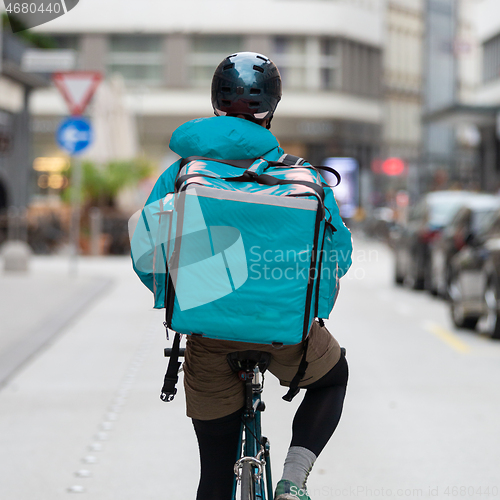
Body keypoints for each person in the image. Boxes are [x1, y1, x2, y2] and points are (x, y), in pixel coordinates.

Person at [132, 52, 353, 500]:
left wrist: (179, 295)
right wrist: (309, 308)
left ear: (216, 101)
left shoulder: (182, 174)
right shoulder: (303, 176)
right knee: (334, 377)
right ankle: (292, 481)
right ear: (271, 107)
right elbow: (339, 256)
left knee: (213, 477)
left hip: (209, 336)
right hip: (288, 335)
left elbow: (147, 254)